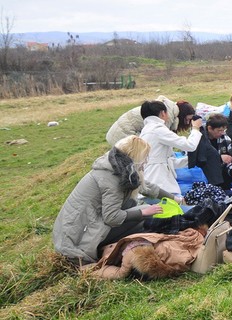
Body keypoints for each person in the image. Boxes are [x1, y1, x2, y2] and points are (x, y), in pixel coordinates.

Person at [52, 135, 175, 265]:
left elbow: (145, 186)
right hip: (77, 244)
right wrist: (143, 213)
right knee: (145, 215)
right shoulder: (111, 179)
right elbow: (111, 217)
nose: (146, 161)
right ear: (136, 157)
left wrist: (175, 199)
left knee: (131, 204)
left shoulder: (114, 166)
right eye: (145, 157)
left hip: (72, 234)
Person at [139, 100, 203, 196]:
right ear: (163, 113)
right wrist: (196, 128)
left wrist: (191, 160)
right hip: (160, 185)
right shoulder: (158, 130)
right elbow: (190, 145)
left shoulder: (145, 131)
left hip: (150, 183)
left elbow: (167, 161)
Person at [105, 96, 195, 146]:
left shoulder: (169, 110)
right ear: (182, 114)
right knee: (137, 159)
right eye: (187, 119)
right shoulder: (166, 115)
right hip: (123, 133)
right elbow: (164, 139)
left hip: (120, 131)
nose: (187, 123)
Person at [188, 113, 232, 190]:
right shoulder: (199, 139)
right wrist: (219, 157)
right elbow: (199, 159)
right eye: (219, 130)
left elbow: (229, 156)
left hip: (220, 171)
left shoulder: (225, 139)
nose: (222, 133)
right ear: (209, 128)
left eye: (223, 130)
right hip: (205, 173)